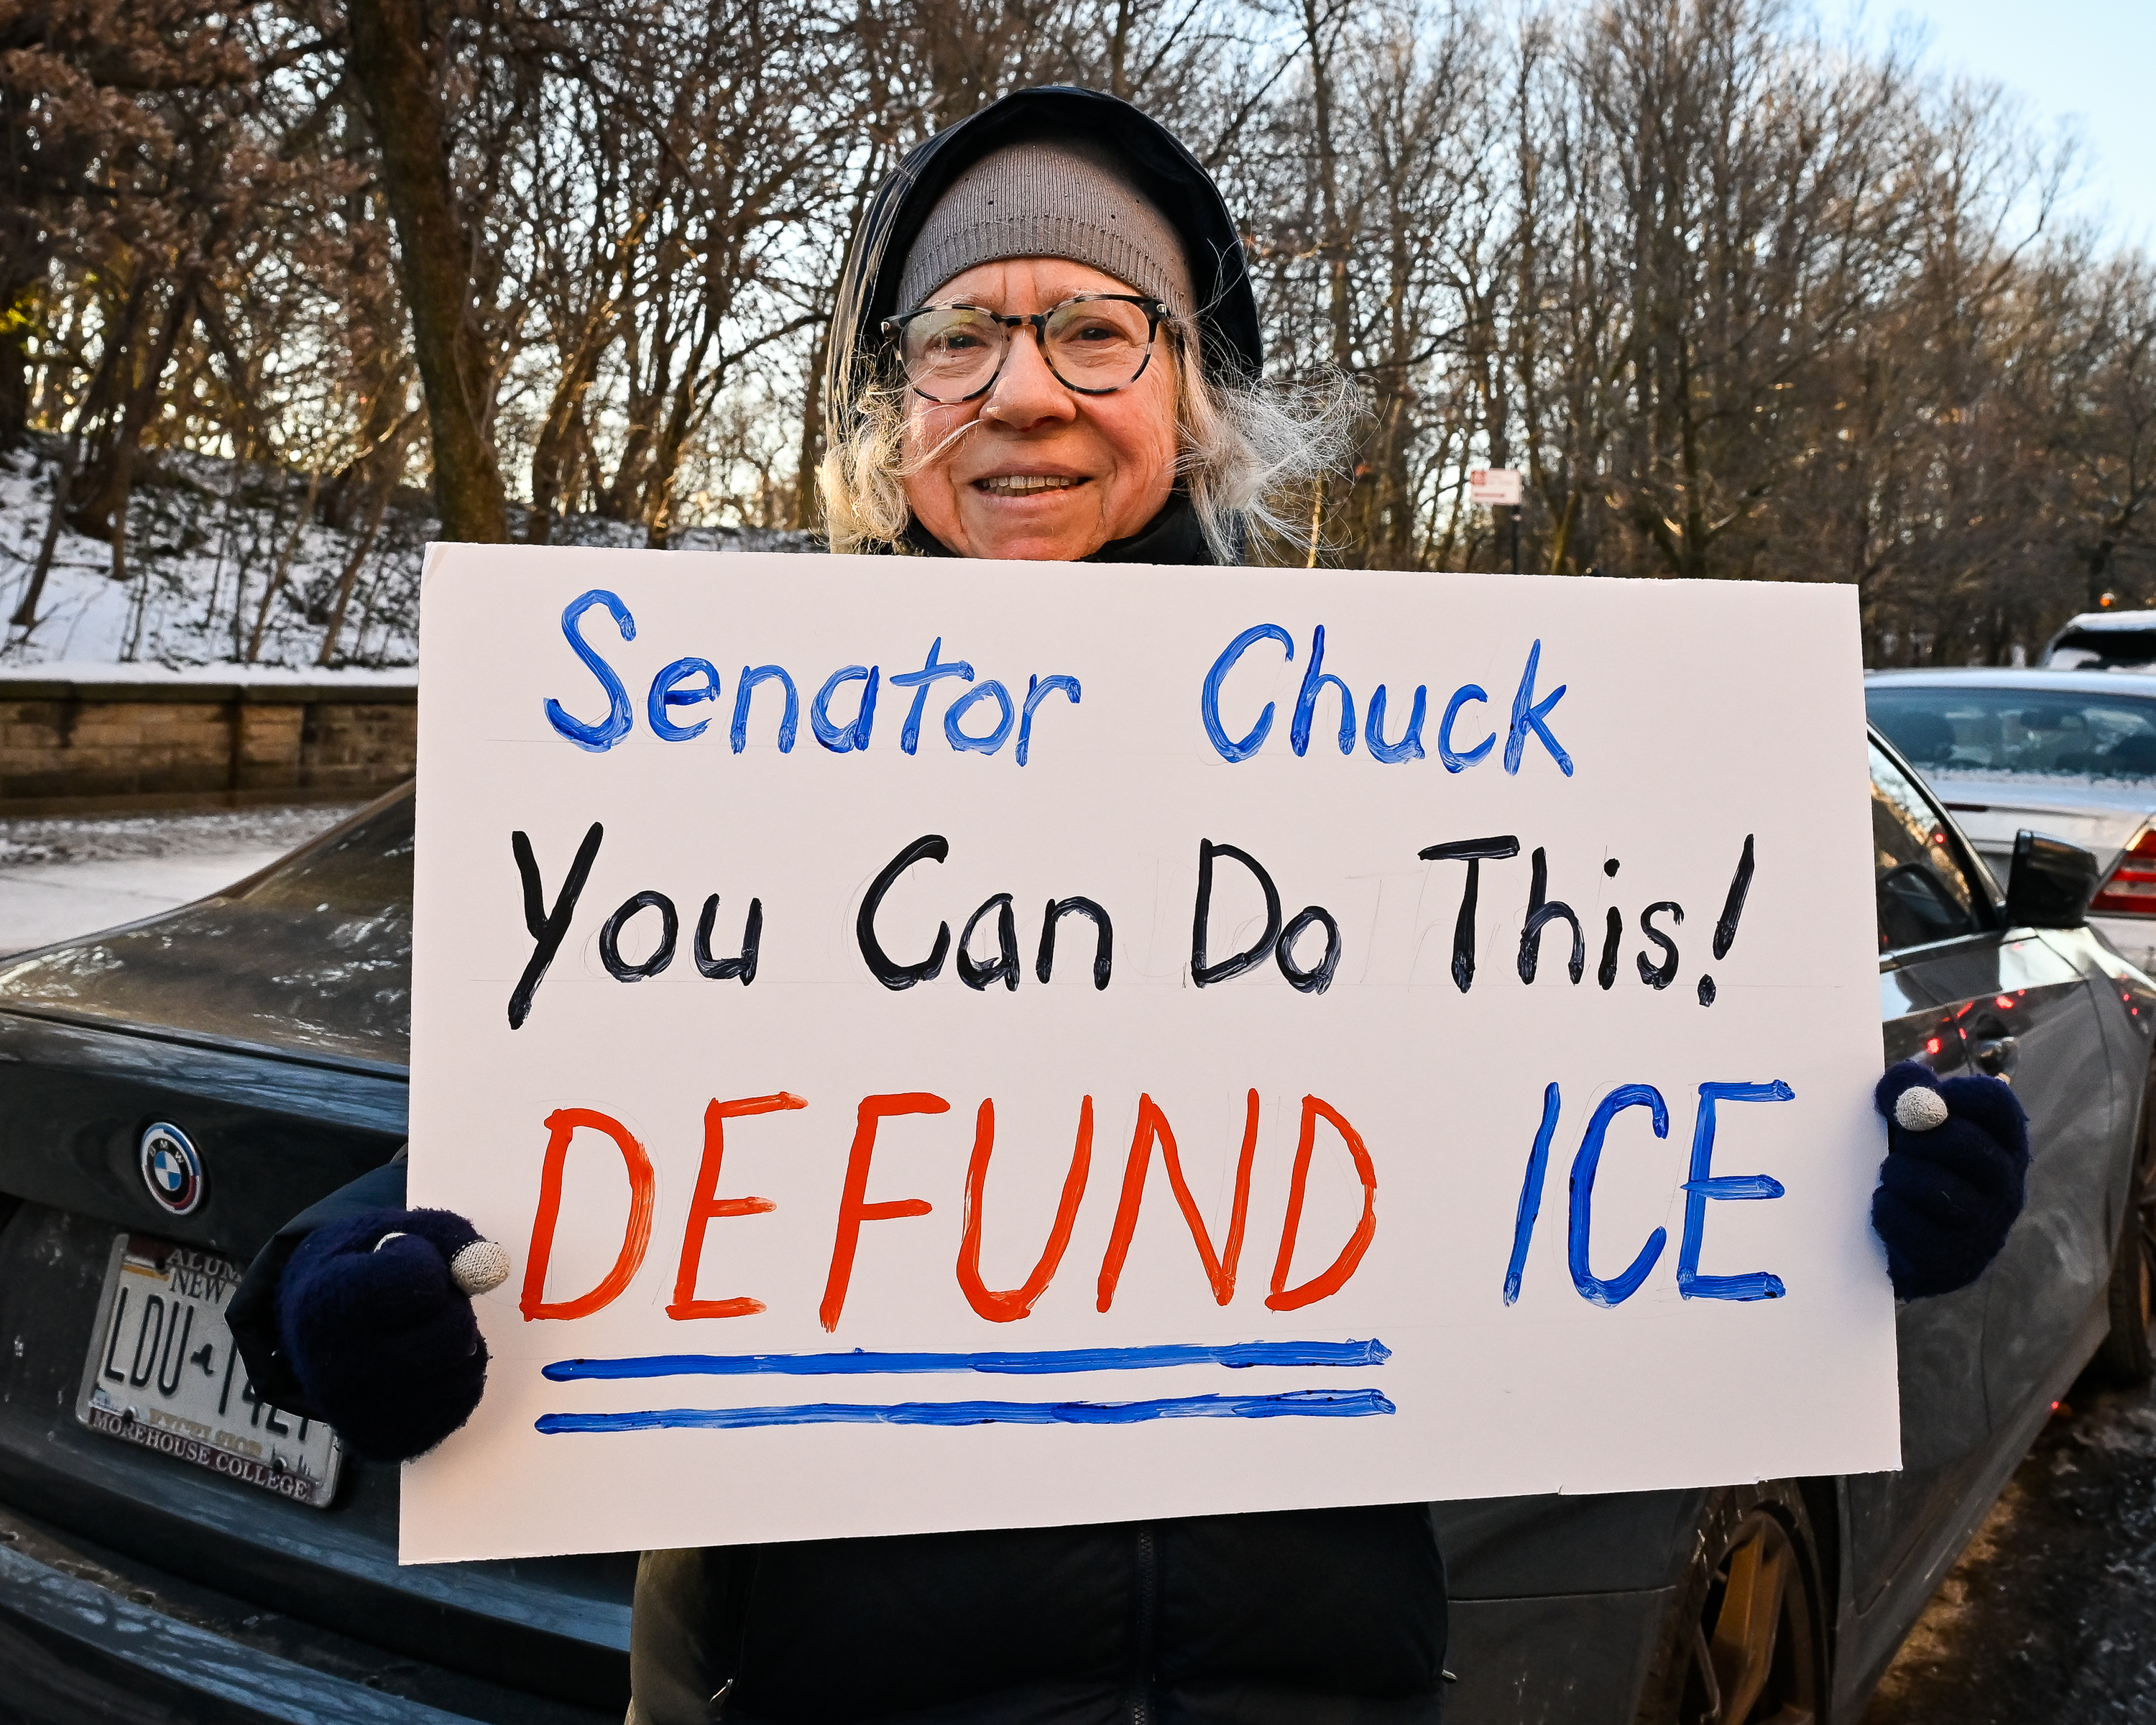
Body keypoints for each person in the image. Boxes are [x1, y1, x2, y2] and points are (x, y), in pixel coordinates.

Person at [230, 86, 2032, 1725]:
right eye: (959, 337)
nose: (1024, 392)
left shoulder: (1396, 756)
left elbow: (1570, 1102)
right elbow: (539, 1150)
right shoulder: (731, 752)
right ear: (894, 409)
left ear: (1194, 395)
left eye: (1096, 330)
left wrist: (1854, 1198)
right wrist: (342, 1292)